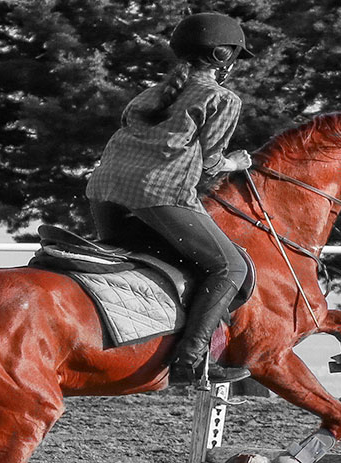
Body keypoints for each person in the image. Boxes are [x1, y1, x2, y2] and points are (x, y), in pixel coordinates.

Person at [86, 12, 257, 385]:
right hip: (159, 195)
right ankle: (192, 361)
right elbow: (210, 163)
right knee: (231, 269)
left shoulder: (151, 93)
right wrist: (236, 162)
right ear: (222, 58)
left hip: (104, 194)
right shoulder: (220, 98)